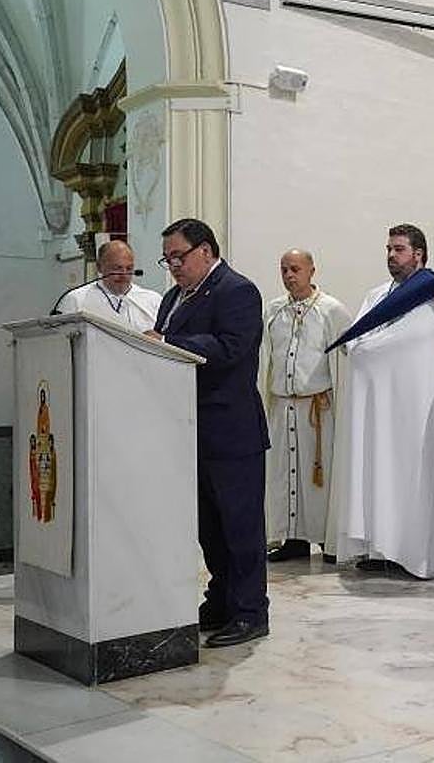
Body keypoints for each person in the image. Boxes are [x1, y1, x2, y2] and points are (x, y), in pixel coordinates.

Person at [149, 218, 271, 648]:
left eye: (178, 257)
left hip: (231, 429)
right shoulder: (172, 298)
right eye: (167, 260)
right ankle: (220, 600)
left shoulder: (237, 290)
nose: (173, 267)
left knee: (240, 527)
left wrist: (167, 344)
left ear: (205, 250)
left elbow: (232, 348)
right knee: (209, 527)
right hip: (188, 429)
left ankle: (251, 611)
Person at [331, 224, 434, 578]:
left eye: (398, 249)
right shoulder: (375, 295)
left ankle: (412, 552)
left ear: (418, 254)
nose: (391, 255)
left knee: (410, 471)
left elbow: (423, 339)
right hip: (377, 402)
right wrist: (368, 351)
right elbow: (357, 339)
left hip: (416, 405)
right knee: (376, 464)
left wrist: (373, 350)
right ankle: (377, 546)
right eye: (388, 249)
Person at [261, 249, 352, 564]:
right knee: (285, 474)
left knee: (320, 477)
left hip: (318, 408)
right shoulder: (274, 310)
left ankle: (328, 541)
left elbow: (343, 363)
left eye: (295, 269)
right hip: (283, 405)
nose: (289, 275)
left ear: (312, 270)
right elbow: (266, 359)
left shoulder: (331, 311)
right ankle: (293, 538)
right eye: (284, 269)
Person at [56, 239, 161, 331]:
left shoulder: (152, 300)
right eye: (117, 268)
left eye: (129, 268)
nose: (124, 275)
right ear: (99, 267)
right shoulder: (76, 299)